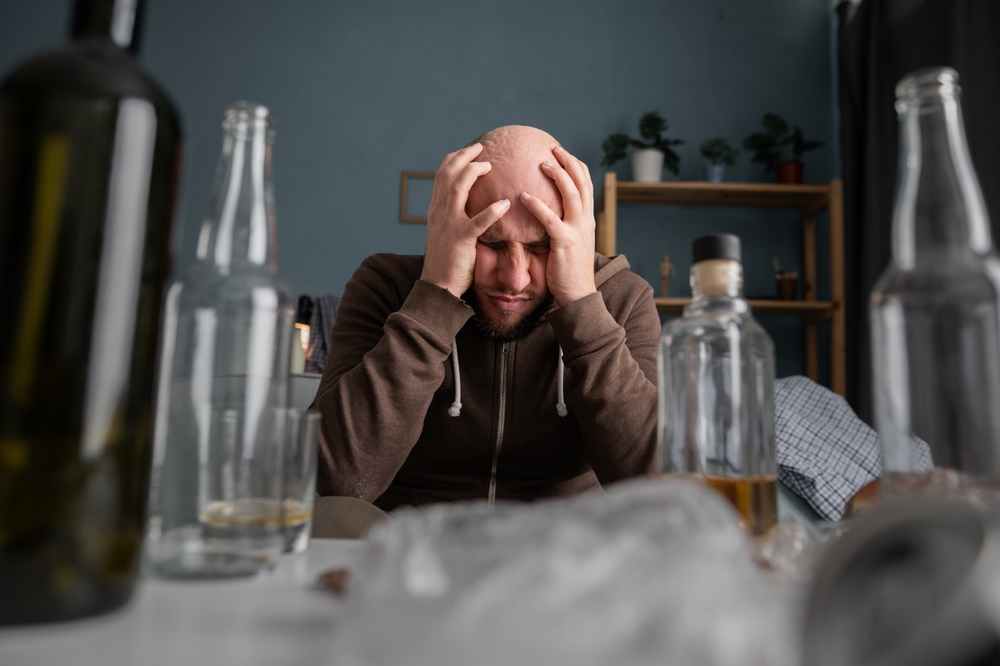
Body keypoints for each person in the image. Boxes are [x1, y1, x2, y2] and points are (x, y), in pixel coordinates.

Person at [312, 125, 660, 511]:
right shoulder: (385, 285)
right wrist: (436, 294)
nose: (515, 279)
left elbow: (661, 488)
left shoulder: (623, 297)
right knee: (335, 519)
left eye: (542, 247)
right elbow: (336, 481)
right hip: (412, 542)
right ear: (448, 224)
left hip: (568, 548)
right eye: (490, 241)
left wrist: (582, 304)